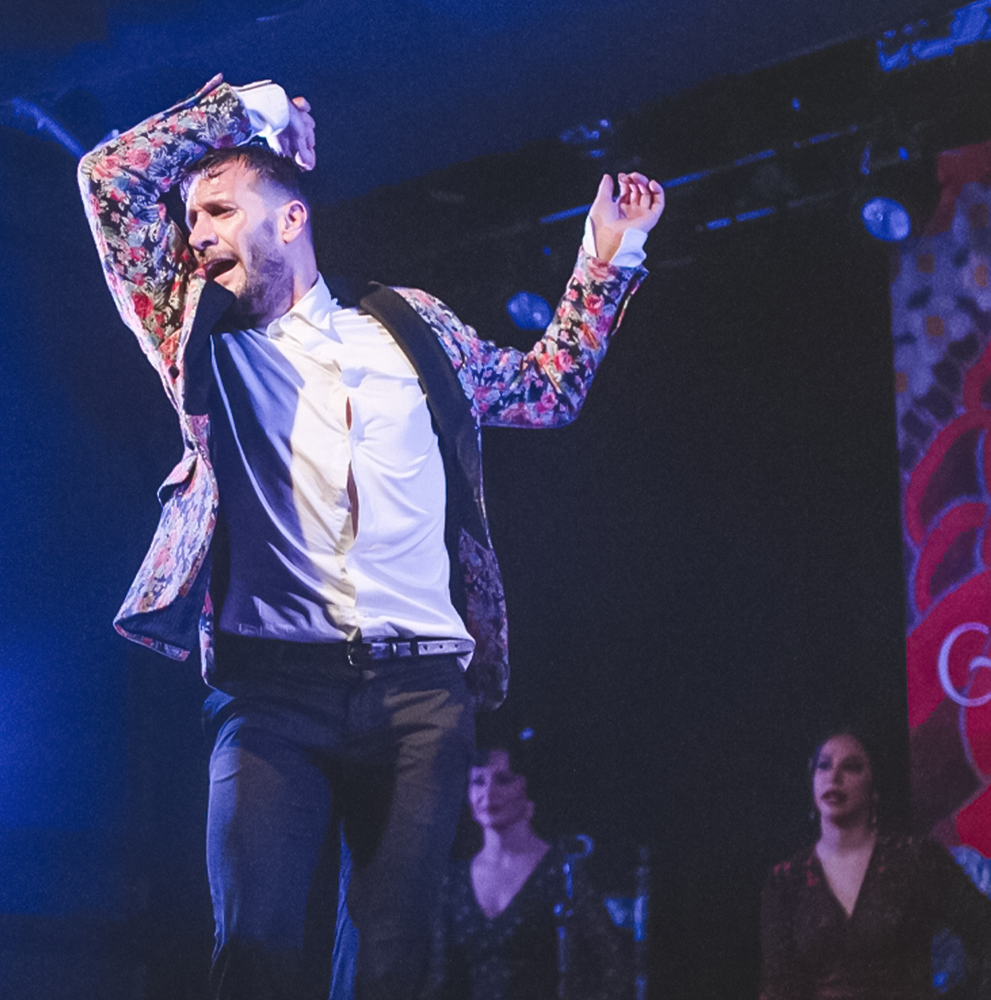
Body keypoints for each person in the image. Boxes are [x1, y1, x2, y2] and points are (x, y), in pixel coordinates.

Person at [77, 76, 664, 1000]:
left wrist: (609, 257)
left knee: (392, 964)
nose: (197, 234)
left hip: (420, 691)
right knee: (256, 951)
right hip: (270, 694)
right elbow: (109, 178)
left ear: (290, 219)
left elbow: (547, 391)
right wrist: (254, 109)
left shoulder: (407, 324)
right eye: (190, 220)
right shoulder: (194, 332)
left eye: (220, 210)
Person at [759, 730, 991, 1000]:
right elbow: (779, 986)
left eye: (851, 767)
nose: (834, 777)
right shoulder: (786, 880)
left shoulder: (916, 860)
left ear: (874, 787)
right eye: (824, 766)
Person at [428, 742, 631, 1000]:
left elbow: (615, 969)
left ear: (529, 789)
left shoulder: (561, 870)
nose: (488, 793)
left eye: (503, 779)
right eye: (478, 781)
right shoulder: (452, 880)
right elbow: (438, 982)